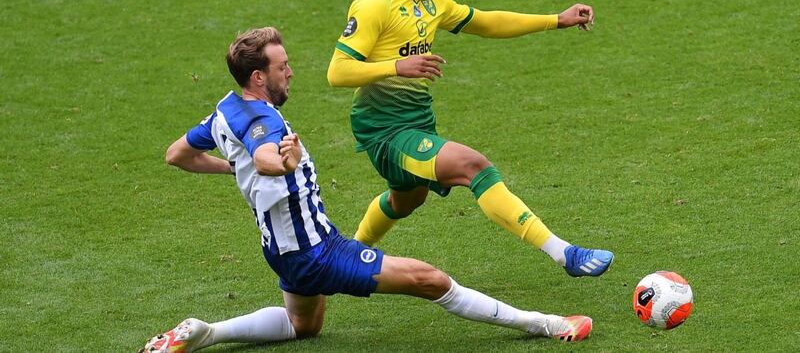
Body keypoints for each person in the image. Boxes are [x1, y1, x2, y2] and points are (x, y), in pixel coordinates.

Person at [140, 27, 593, 352]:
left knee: (304, 328)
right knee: (429, 279)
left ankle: (206, 331)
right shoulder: (264, 119)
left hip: (280, 248)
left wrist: (234, 170)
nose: (291, 73)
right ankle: (547, 325)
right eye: (282, 67)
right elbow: (264, 156)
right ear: (259, 77)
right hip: (316, 251)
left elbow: (176, 154)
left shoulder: (223, 110)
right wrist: (279, 164)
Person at [327, 0, 613, 278]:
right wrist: (397, 66)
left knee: (407, 199)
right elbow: (337, 72)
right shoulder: (375, 4)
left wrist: (557, 20)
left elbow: (486, 22)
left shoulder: (432, 4)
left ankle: (350, 253)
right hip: (385, 132)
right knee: (473, 165)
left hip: (416, 122)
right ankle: (564, 253)